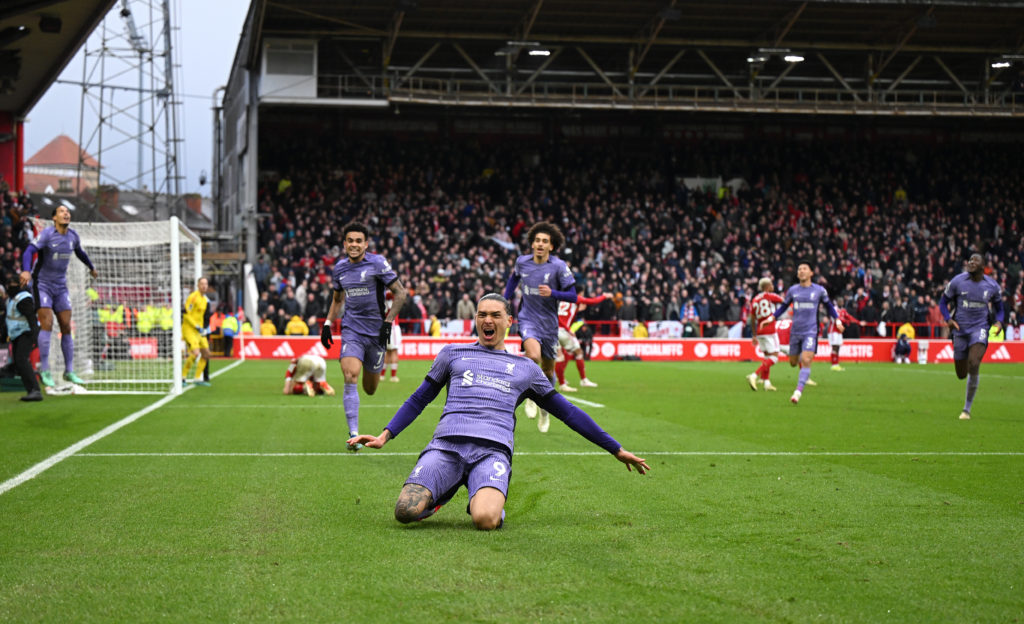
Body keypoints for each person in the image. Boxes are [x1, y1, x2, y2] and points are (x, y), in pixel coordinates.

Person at [347, 293, 649, 531]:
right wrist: (386, 435)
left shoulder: (526, 369)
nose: (487, 320)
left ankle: (484, 496)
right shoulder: (453, 354)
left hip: (491, 453)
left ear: (509, 321)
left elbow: (567, 412)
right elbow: (419, 398)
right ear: (475, 320)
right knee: (405, 512)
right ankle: (444, 492)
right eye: (482, 315)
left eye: (495, 315)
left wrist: (615, 449)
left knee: (485, 521)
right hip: (446, 446)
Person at [321, 222, 407, 451]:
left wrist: (388, 322)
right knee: (350, 374)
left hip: (376, 334)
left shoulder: (378, 263)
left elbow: (401, 292)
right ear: (344, 243)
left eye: (359, 241)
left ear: (366, 244)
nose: (354, 245)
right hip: (352, 330)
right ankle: (354, 435)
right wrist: (328, 322)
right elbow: (338, 300)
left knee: (370, 388)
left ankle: (356, 427)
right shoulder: (339, 269)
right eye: (350, 240)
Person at [503, 221, 576, 433]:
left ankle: (545, 411)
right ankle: (529, 397)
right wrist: (504, 301)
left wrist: (553, 293)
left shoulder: (559, 267)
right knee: (533, 356)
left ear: (551, 246)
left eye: (545, 241)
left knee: (548, 370)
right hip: (527, 319)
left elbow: (573, 296)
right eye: (537, 240)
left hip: (549, 325)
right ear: (532, 244)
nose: (540, 244)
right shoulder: (522, 262)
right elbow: (512, 281)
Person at [19, 204, 98, 387]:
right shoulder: (47, 234)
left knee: (66, 326)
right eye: (62, 211)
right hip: (43, 284)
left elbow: (80, 252)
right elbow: (29, 251)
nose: (66, 213)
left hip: (61, 287)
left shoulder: (73, 236)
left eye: (68, 211)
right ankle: (45, 369)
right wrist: (25, 270)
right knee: (47, 323)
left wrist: (91, 267)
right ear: (54, 217)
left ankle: (69, 371)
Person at [764, 261, 843, 405]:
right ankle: (800, 357)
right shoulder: (793, 290)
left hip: (810, 331)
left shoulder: (819, 290)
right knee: (793, 363)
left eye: (804, 269)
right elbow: (783, 307)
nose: (801, 271)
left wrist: (837, 320)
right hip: (795, 332)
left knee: (806, 360)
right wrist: (771, 318)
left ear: (811, 273)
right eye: (799, 269)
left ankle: (797, 392)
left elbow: (830, 306)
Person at [938, 252, 1004, 420]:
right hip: (960, 329)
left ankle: (966, 409)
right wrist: (948, 319)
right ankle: (968, 367)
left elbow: (1000, 308)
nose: (971, 262)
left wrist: (999, 322)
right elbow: (943, 302)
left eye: (975, 260)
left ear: (983, 266)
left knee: (974, 363)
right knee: (961, 374)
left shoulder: (992, 286)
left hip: (980, 328)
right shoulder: (958, 281)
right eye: (970, 259)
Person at [553, 292, 610, 392]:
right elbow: (593, 301)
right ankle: (583, 380)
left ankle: (560, 381)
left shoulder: (560, 298)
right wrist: (604, 296)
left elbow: (560, 315)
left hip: (552, 329)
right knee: (578, 352)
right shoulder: (575, 298)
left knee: (561, 356)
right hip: (563, 331)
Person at [2, 277, 43, 401]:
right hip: (17, 335)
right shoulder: (12, 299)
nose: (9, 286)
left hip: (26, 333)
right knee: (19, 362)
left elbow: (31, 318)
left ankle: (35, 390)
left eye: (12, 283)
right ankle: (31, 389)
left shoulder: (23, 298)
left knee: (22, 360)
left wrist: (35, 336)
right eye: (8, 284)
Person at [746, 277, 782, 392]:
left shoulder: (755, 299)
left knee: (767, 357)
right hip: (770, 330)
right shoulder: (770, 296)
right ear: (767, 287)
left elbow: (752, 319)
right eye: (771, 285)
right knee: (774, 358)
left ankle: (767, 383)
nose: (773, 286)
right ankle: (754, 375)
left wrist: (754, 335)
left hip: (760, 331)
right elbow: (784, 301)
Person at [182, 276, 212, 386]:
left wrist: (203, 328)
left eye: (206, 284)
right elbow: (186, 314)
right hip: (189, 329)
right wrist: (196, 326)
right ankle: (182, 377)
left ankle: (197, 378)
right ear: (198, 285)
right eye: (202, 284)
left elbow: (202, 317)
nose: (204, 286)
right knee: (195, 353)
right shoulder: (193, 297)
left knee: (206, 353)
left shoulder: (204, 300)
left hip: (199, 331)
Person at [827, 298, 862, 371]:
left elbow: (849, 316)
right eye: (840, 301)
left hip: (839, 331)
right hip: (833, 330)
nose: (842, 303)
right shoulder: (834, 309)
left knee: (838, 347)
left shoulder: (843, 310)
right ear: (837, 302)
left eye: (842, 302)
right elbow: (837, 320)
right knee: (834, 347)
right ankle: (833, 365)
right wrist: (847, 321)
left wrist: (858, 322)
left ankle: (836, 364)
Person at [381, 290, 402, 383]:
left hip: (385, 326)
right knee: (394, 351)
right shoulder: (391, 297)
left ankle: (382, 375)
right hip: (393, 327)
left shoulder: (382, 298)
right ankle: (393, 376)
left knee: (387, 351)